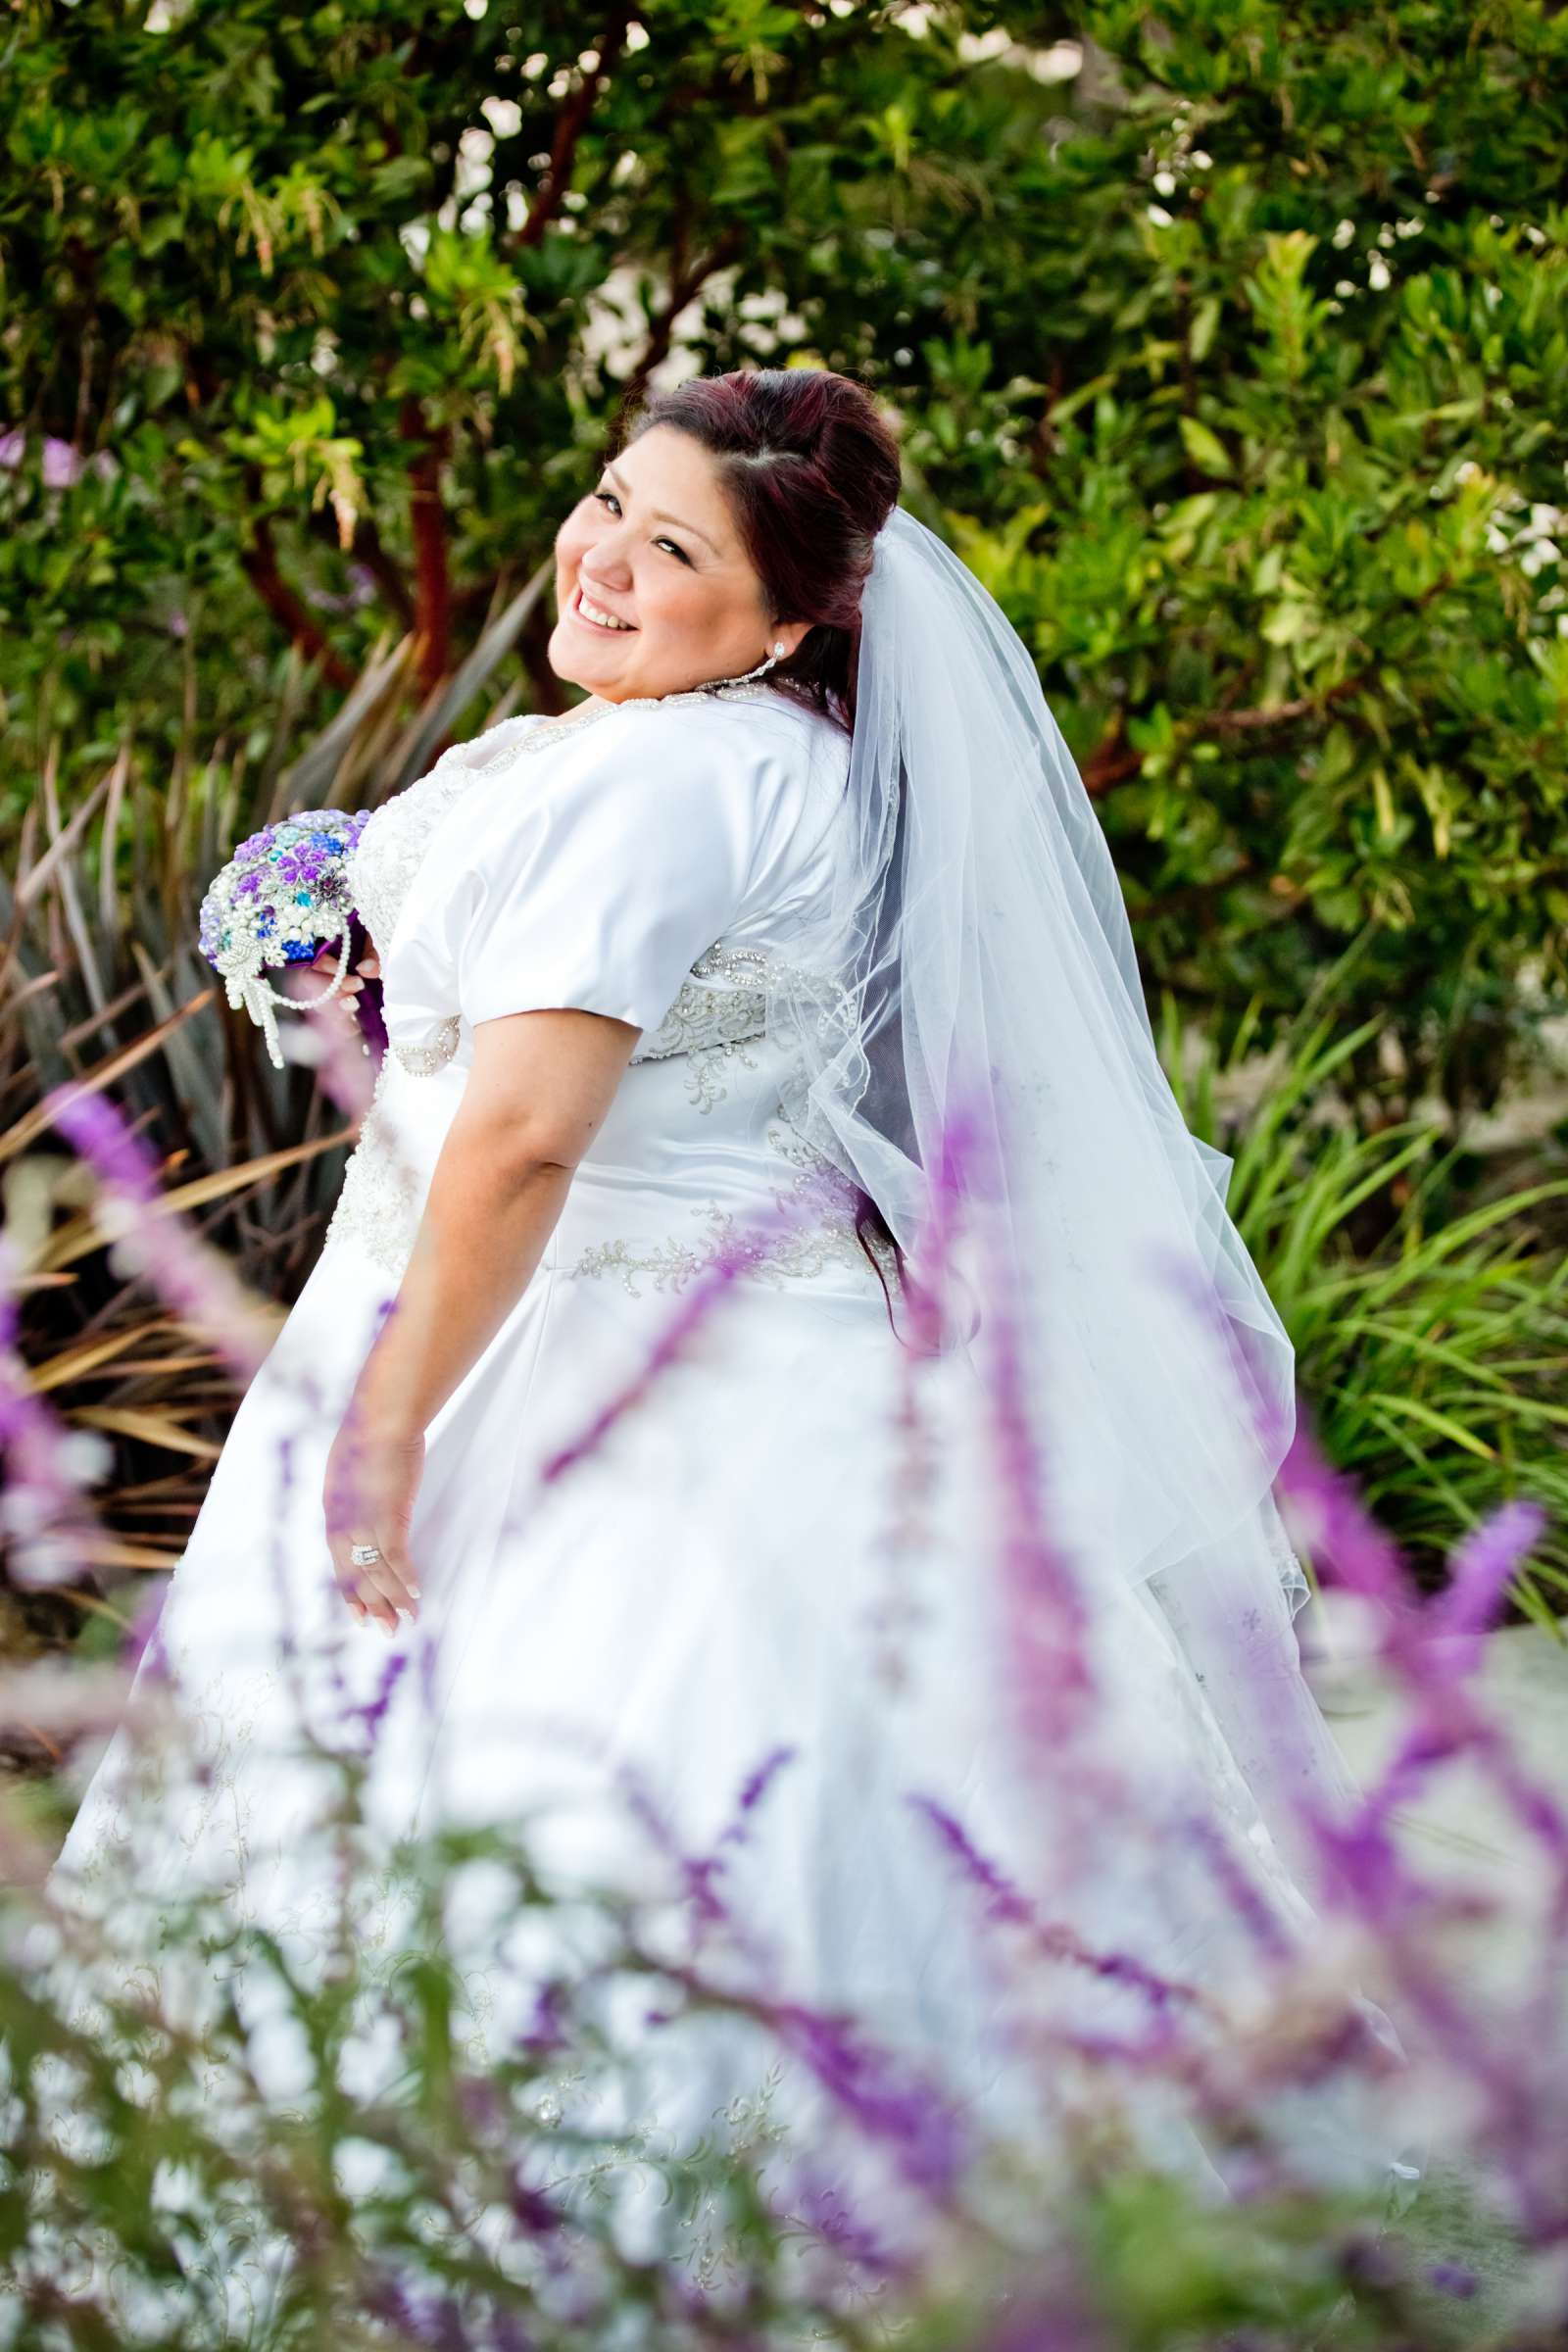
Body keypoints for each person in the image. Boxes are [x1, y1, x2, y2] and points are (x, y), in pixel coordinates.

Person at [44, 368, 1419, 2244]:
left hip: (570, 1369)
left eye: (671, 545)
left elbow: (526, 1145)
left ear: (788, 618)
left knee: (561, 1801)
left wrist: (387, 1426)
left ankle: (556, 2228)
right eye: (610, 498)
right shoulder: (785, 754)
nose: (601, 555)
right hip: (795, 1361)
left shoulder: (653, 780)